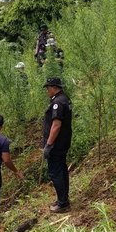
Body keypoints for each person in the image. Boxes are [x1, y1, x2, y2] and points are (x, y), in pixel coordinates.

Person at [42, 78, 73, 213]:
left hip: (57, 143)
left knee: (55, 172)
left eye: (48, 88)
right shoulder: (64, 99)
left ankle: (62, 203)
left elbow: (56, 125)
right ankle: (63, 198)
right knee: (61, 169)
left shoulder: (57, 103)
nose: (47, 91)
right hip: (63, 141)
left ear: (54, 87)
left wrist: (49, 144)